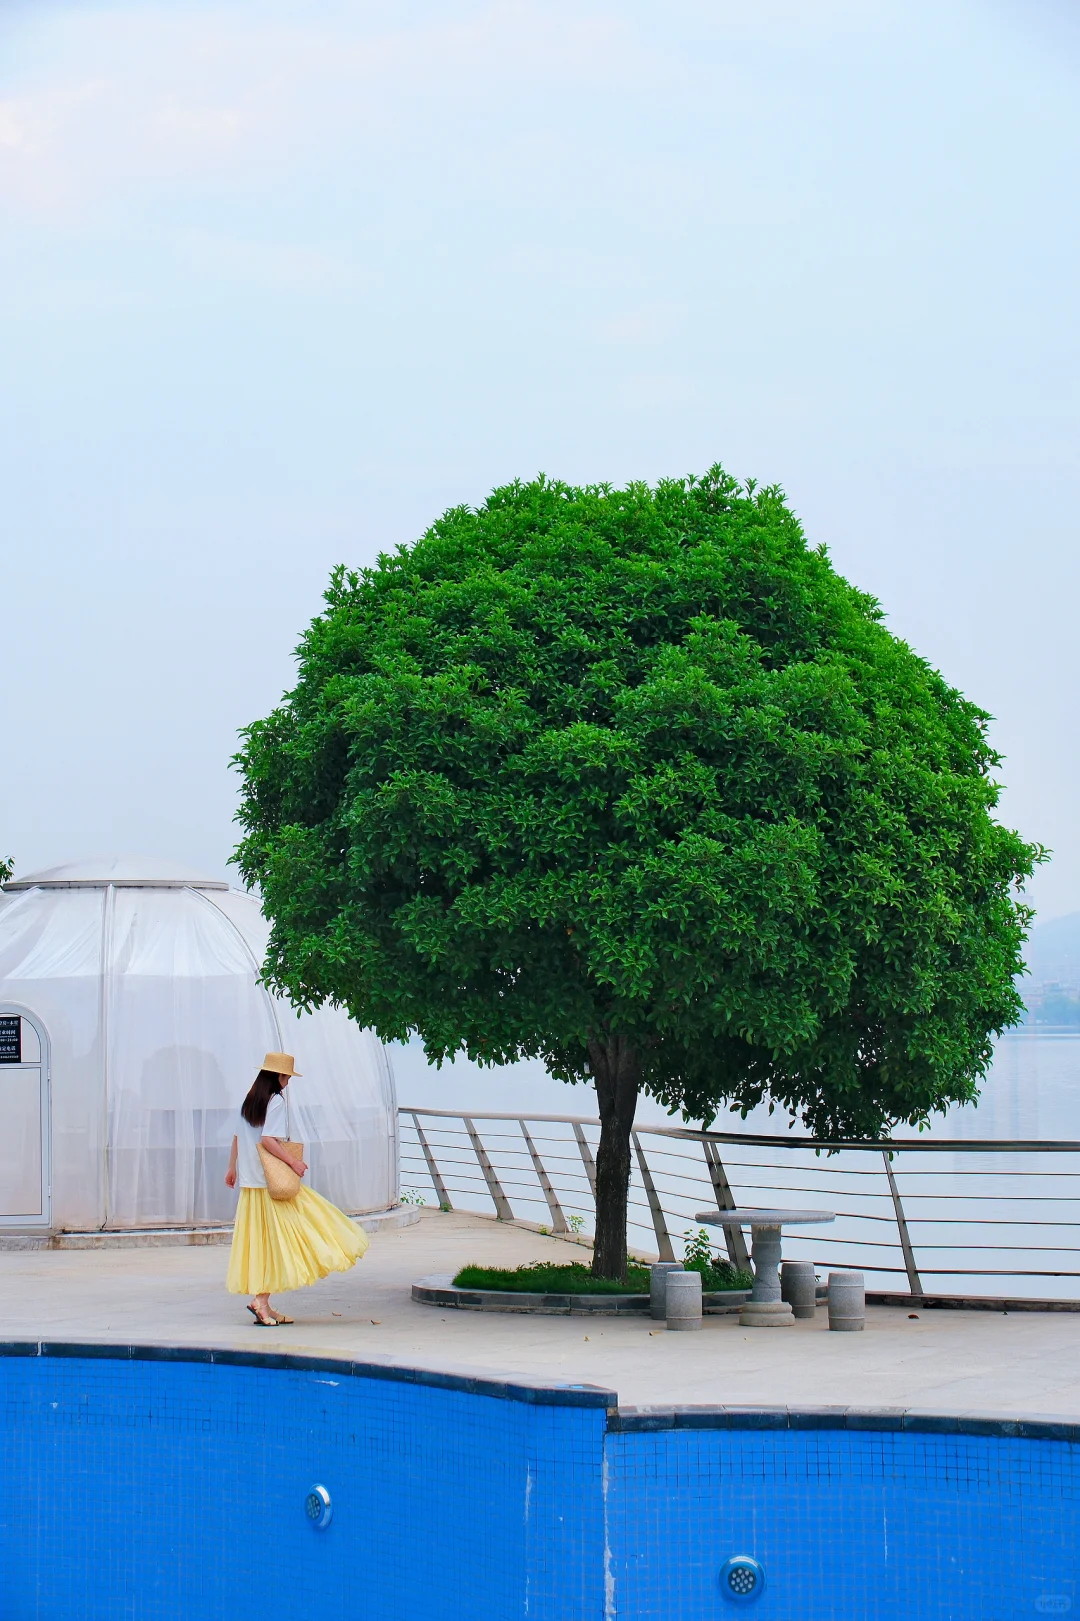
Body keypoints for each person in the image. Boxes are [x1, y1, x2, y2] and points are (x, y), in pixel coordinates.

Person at [224, 1051, 368, 1326]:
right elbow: (268, 1140)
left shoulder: (249, 1101)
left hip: (251, 1182)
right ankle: (261, 1302)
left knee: (263, 1243)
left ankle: (263, 1303)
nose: (288, 1081)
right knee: (299, 1229)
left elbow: (237, 1138)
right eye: (286, 1076)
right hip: (270, 1183)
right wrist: (294, 1162)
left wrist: (232, 1168)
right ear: (277, 1076)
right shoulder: (275, 1102)